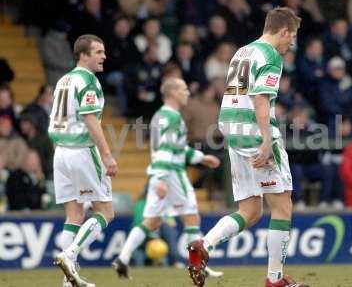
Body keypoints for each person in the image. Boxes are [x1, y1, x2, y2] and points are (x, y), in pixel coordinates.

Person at [187, 7, 307, 287]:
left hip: (231, 129)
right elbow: (261, 100)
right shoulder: (271, 56)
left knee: (250, 210)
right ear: (284, 31)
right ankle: (275, 279)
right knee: (282, 205)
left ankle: (205, 244)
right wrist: (266, 140)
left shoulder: (243, 51)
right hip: (254, 131)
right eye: (292, 37)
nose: (292, 43)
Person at [112, 77, 223, 280]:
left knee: (151, 221)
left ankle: (123, 257)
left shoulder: (160, 116)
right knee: (191, 218)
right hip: (171, 173)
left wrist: (200, 158)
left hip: (159, 172)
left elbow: (175, 148)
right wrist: (163, 178)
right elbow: (166, 150)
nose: (188, 92)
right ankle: (198, 266)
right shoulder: (172, 117)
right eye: (184, 89)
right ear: (173, 93)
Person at [50, 34, 118, 287]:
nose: (104, 56)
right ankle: (70, 255)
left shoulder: (64, 80)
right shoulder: (88, 80)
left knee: (74, 214)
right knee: (106, 211)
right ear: (83, 55)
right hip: (81, 150)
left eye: (103, 51)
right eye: (98, 52)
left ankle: (67, 281)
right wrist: (107, 155)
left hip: (61, 152)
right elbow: (90, 120)